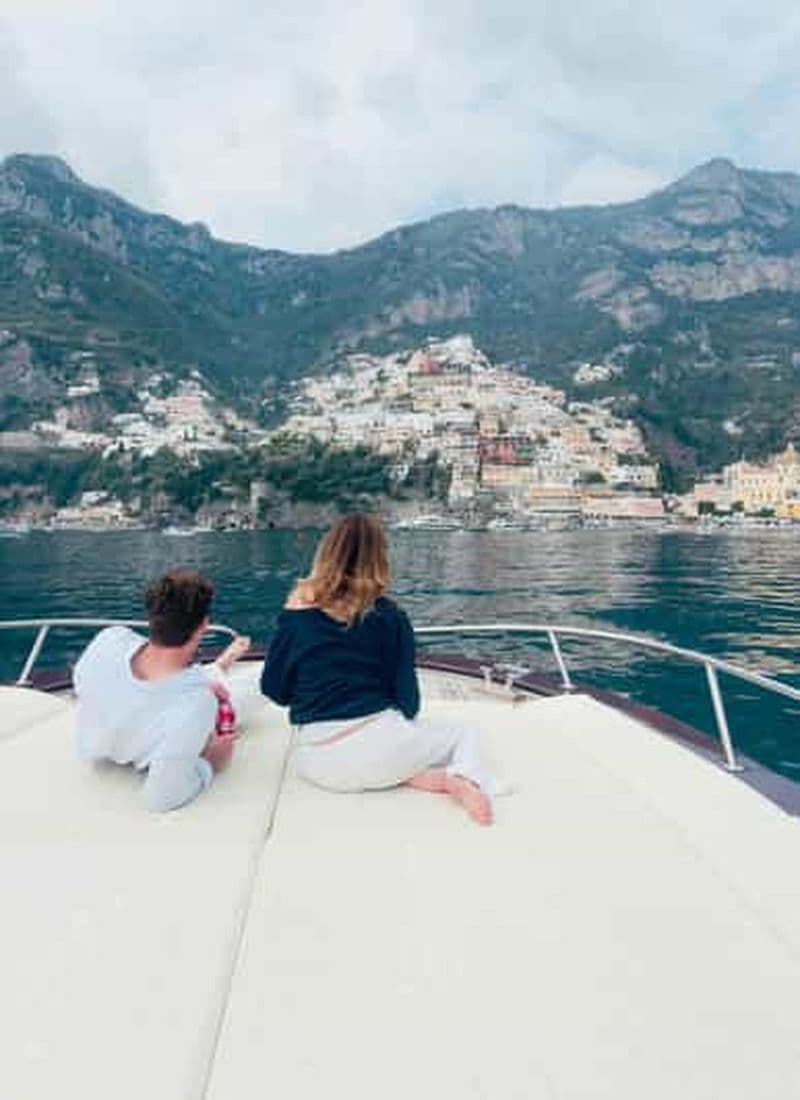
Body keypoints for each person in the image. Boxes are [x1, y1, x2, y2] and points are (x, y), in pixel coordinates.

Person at [260, 514, 494, 825]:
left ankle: (413, 774)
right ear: (380, 559)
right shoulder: (392, 617)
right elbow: (409, 703)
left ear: (325, 554)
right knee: (463, 733)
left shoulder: (295, 618)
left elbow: (274, 689)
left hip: (317, 762)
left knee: (376, 758)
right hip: (385, 750)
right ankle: (461, 778)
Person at [74, 570, 248, 812]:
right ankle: (221, 666)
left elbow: (85, 683)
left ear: (153, 616)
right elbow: (162, 798)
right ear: (203, 626)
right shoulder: (196, 703)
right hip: (184, 710)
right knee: (255, 686)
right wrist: (211, 762)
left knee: (210, 682)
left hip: (101, 748)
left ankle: (219, 666)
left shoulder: (109, 640)